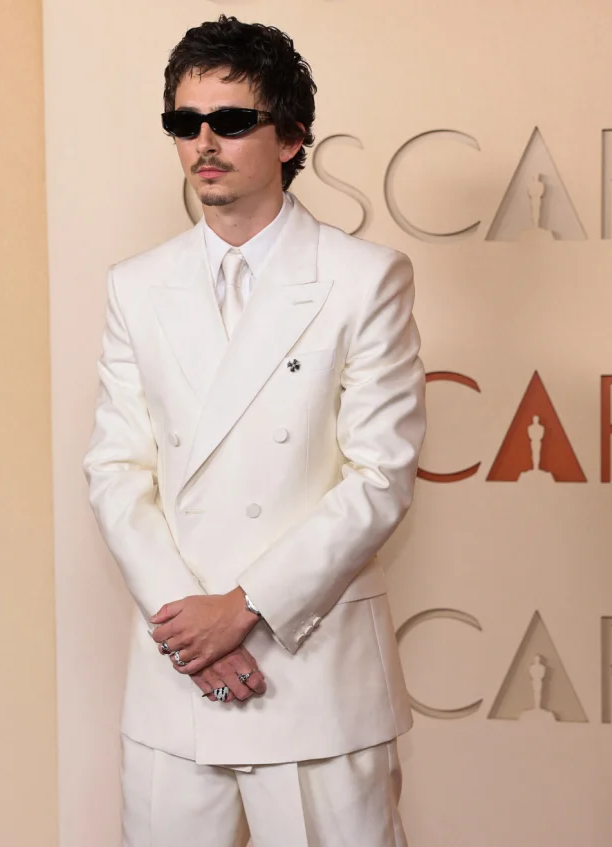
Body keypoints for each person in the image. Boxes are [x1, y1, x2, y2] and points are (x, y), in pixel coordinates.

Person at [83, 15, 426, 847]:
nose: (204, 142)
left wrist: (243, 610)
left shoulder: (362, 279)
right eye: (184, 122)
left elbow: (380, 475)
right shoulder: (137, 286)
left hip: (313, 677)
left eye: (231, 121)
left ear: (290, 137)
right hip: (176, 679)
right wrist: (188, 626)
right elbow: (116, 469)